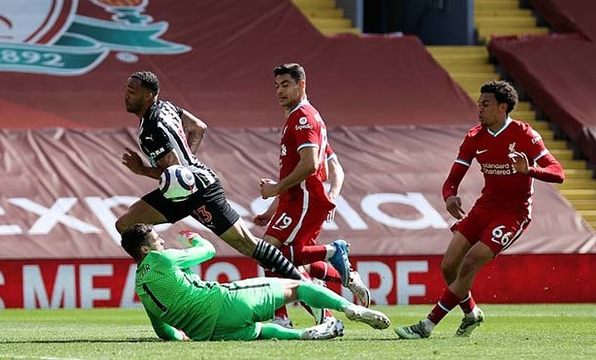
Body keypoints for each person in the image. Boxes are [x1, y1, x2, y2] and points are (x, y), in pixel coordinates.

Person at [395, 80, 565, 339]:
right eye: (479, 104)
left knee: (471, 261)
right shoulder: (475, 137)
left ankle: (427, 325)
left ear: (502, 108)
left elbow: (558, 172)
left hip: (513, 213)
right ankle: (471, 313)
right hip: (483, 208)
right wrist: (450, 196)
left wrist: (529, 170)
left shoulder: (524, 134)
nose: (480, 109)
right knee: (449, 266)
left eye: (485, 104)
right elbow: (452, 180)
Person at [117, 71, 304, 282]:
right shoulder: (166, 107)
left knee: (248, 244)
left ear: (148, 96)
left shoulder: (152, 129)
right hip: (184, 191)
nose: (126, 95)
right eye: (126, 90)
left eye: (132, 92)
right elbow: (198, 128)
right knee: (126, 225)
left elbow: (174, 172)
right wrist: (188, 160)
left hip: (199, 192)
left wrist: (141, 170)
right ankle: (161, 280)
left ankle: (306, 286)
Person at [120, 223, 391, 341]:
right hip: (223, 303)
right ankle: (350, 309)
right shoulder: (162, 260)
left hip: (207, 332)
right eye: (157, 239)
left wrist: (183, 336)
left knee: (262, 330)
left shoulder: (139, 286)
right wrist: (193, 237)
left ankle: (303, 335)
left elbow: (162, 330)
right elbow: (208, 251)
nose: (162, 241)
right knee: (298, 287)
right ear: (145, 250)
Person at [254, 63, 371, 327]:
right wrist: (274, 207)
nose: (279, 92)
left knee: (271, 253)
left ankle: (333, 254)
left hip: (302, 201)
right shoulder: (304, 117)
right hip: (297, 200)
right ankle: (343, 282)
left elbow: (308, 166)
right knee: (293, 263)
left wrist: (275, 189)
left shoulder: (303, 118)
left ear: (301, 85)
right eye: (276, 87)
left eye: (285, 85)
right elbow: (332, 165)